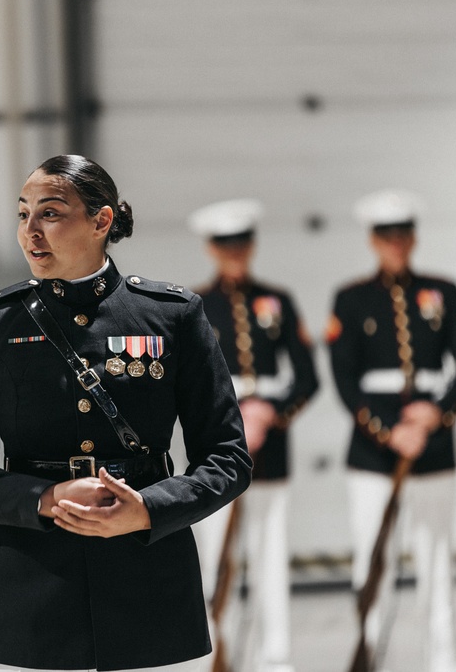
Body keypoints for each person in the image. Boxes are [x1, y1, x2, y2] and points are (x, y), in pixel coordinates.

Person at [0, 154, 252, 672]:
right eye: (22, 214)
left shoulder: (172, 316)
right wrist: (46, 496)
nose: (30, 232)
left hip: (150, 585)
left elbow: (227, 459)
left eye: (51, 213)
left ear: (101, 221)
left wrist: (148, 509)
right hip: (28, 594)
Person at [326, 190, 456, 672]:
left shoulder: (444, 290)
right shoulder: (351, 299)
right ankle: (370, 658)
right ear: (373, 240)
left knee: (437, 564)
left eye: (403, 234)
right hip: (373, 454)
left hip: (433, 448)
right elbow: (346, 381)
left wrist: (436, 414)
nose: (396, 243)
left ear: (413, 237)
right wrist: (391, 432)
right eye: (385, 235)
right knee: (374, 563)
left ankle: (444, 663)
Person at [188, 200, 318, 672]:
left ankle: (275, 657)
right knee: (213, 555)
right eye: (226, 245)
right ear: (211, 249)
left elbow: (307, 378)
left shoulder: (277, 302)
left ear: (253, 245)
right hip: (217, 449)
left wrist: (269, 413)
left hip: (269, 445)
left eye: (241, 244)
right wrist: (230, 420)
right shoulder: (193, 306)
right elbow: (185, 384)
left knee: (270, 552)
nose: (235, 253)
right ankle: (209, 653)